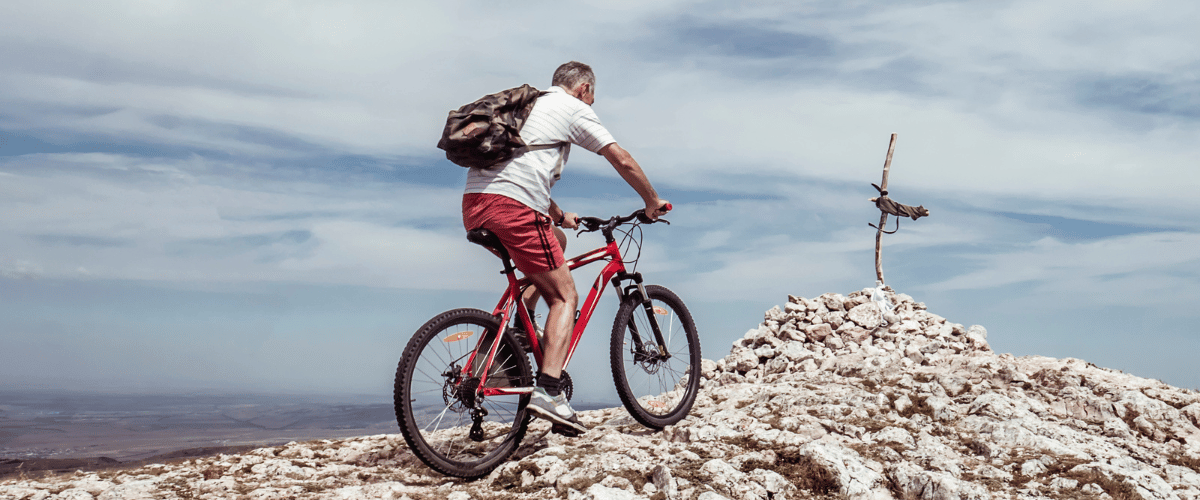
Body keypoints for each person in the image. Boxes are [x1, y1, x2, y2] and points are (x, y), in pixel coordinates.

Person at [462, 61, 669, 436]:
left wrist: (558, 214)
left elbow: (520, 170)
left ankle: (522, 329)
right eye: (593, 97)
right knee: (564, 296)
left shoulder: (528, 108)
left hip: (477, 205)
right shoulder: (572, 108)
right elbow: (619, 157)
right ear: (584, 89)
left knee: (554, 244)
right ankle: (549, 392)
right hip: (514, 207)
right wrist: (652, 200)